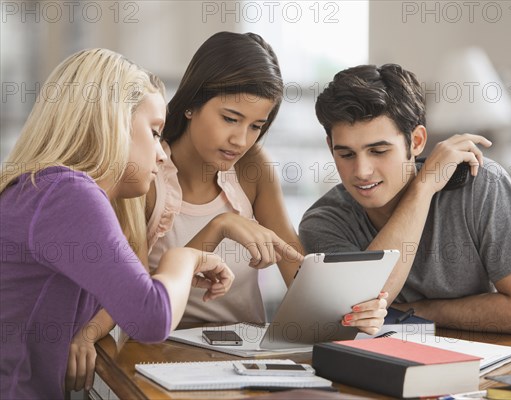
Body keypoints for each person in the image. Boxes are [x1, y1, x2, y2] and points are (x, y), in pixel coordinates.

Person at [0, 48, 234, 398]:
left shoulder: (42, 191)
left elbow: (126, 302)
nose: (162, 152)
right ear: (113, 121)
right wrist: (185, 258)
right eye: (155, 132)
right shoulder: (67, 193)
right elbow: (151, 318)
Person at [143, 32, 387, 332]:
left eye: (256, 126)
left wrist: (353, 312)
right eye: (230, 119)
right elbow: (140, 303)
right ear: (192, 103)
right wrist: (219, 227)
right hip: (162, 349)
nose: (240, 140)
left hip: (245, 350)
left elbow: (297, 271)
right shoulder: (147, 172)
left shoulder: (251, 166)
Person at [299, 64, 511, 334]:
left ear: (416, 141)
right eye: (346, 154)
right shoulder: (323, 222)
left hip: (483, 361)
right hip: (379, 366)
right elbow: (360, 307)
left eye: (379, 151)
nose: (361, 172)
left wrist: (412, 311)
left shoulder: (483, 184)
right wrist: (423, 189)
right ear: (330, 147)